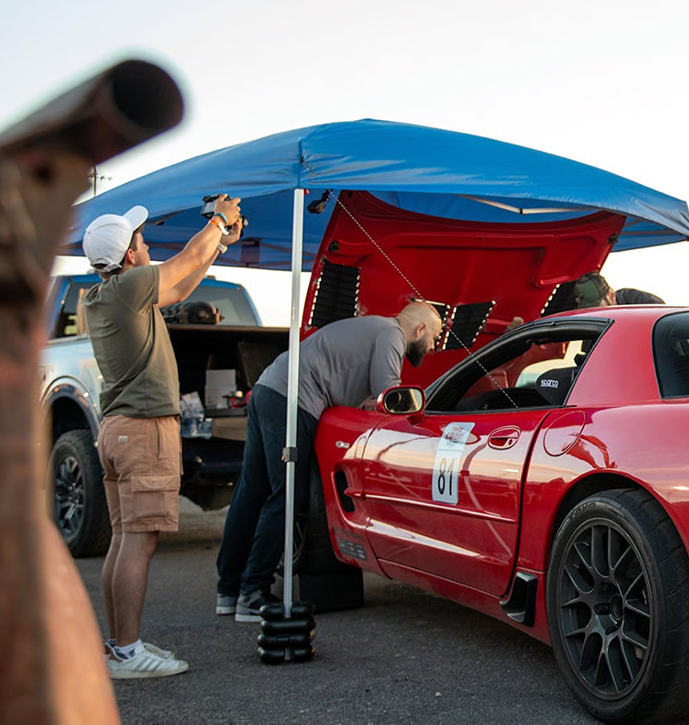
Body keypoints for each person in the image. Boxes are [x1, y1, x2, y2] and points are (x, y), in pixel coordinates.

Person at [83, 195, 244, 679]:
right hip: (143, 429)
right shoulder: (130, 286)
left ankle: (120, 645)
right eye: (141, 240)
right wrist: (219, 220)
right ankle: (128, 651)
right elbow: (185, 258)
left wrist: (218, 245)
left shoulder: (108, 295)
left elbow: (180, 285)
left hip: (119, 430)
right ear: (129, 255)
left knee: (124, 538)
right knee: (139, 540)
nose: (147, 244)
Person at [215, 301, 443, 623]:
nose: (433, 347)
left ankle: (228, 590)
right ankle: (253, 593)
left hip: (269, 389)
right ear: (419, 329)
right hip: (293, 401)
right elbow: (388, 394)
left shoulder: (372, 327)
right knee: (287, 496)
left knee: (251, 492)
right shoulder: (392, 333)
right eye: (434, 337)